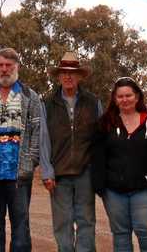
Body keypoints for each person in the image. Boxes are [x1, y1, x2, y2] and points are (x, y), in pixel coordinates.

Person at [0, 47, 51, 252]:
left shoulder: (29, 96)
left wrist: (30, 162)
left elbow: (38, 130)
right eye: (0, 65)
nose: (4, 69)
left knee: (21, 230)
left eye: (8, 65)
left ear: (16, 67)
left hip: (19, 174)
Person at [91, 77, 147, 252]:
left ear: (137, 97)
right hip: (113, 192)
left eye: (128, 95)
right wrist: (100, 185)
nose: (125, 100)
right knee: (120, 234)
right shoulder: (105, 123)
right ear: (114, 98)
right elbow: (96, 156)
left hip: (143, 190)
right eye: (120, 96)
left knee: (146, 232)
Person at [42, 52, 103, 252]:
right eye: (64, 73)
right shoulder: (47, 103)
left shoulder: (93, 102)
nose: (68, 76)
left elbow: (101, 139)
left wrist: (99, 170)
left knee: (86, 220)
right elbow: (43, 140)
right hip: (58, 174)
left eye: (72, 73)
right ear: (58, 76)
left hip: (86, 171)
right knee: (62, 223)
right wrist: (47, 171)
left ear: (79, 76)